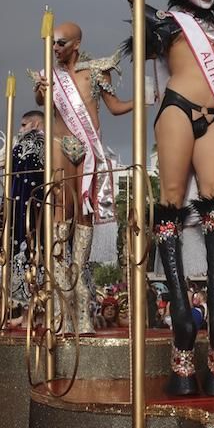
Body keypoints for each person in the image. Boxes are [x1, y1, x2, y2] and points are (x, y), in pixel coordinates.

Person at [126, 0, 214, 397]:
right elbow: (140, 44)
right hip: (176, 109)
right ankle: (179, 319)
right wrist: (137, 0)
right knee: (170, 208)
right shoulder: (167, 23)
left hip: (213, 117)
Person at [32, 22, 133, 335]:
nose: (55, 48)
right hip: (61, 143)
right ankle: (63, 303)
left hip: (89, 148)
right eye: (53, 44)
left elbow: (115, 108)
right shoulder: (52, 77)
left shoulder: (97, 72)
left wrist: (145, 99)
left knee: (86, 215)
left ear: (76, 43)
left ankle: (82, 297)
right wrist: (41, 90)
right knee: (62, 212)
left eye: (61, 43)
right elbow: (41, 104)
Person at [8, 110, 44, 307]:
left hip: (29, 210)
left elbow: (2, 164)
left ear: (35, 124)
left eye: (23, 125)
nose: (20, 130)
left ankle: (28, 310)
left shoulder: (26, 145)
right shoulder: (52, 143)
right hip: (35, 210)